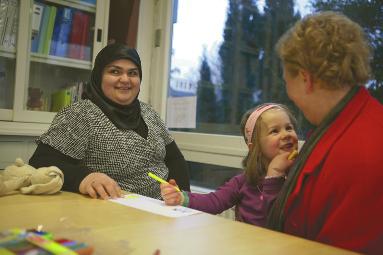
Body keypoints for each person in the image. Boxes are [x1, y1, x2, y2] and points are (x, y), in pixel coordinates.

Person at [267, 11, 383, 254]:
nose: (288, 93)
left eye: (286, 81)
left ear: (305, 79)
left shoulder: (363, 151)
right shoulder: (342, 127)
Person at [29, 43, 190, 200]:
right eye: (115, 71)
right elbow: (41, 163)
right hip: (117, 212)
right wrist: (84, 178)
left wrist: (184, 200)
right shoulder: (81, 114)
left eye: (133, 73)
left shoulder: (149, 113)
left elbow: (175, 159)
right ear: (99, 76)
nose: (125, 79)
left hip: (166, 210)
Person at [161, 103, 298, 227]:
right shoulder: (244, 181)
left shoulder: (300, 176)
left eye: (289, 128)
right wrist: (180, 197)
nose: (286, 134)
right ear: (254, 146)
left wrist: (276, 174)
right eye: (275, 131)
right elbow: (214, 202)